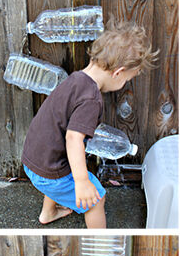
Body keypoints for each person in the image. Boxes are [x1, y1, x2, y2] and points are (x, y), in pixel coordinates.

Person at [21, 18, 158, 228]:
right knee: (95, 200)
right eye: (127, 79)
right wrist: (83, 183)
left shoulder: (76, 79)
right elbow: (73, 138)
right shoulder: (91, 100)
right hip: (48, 172)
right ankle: (99, 240)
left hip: (34, 159)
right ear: (118, 72)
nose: (124, 83)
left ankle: (48, 213)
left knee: (62, 168)